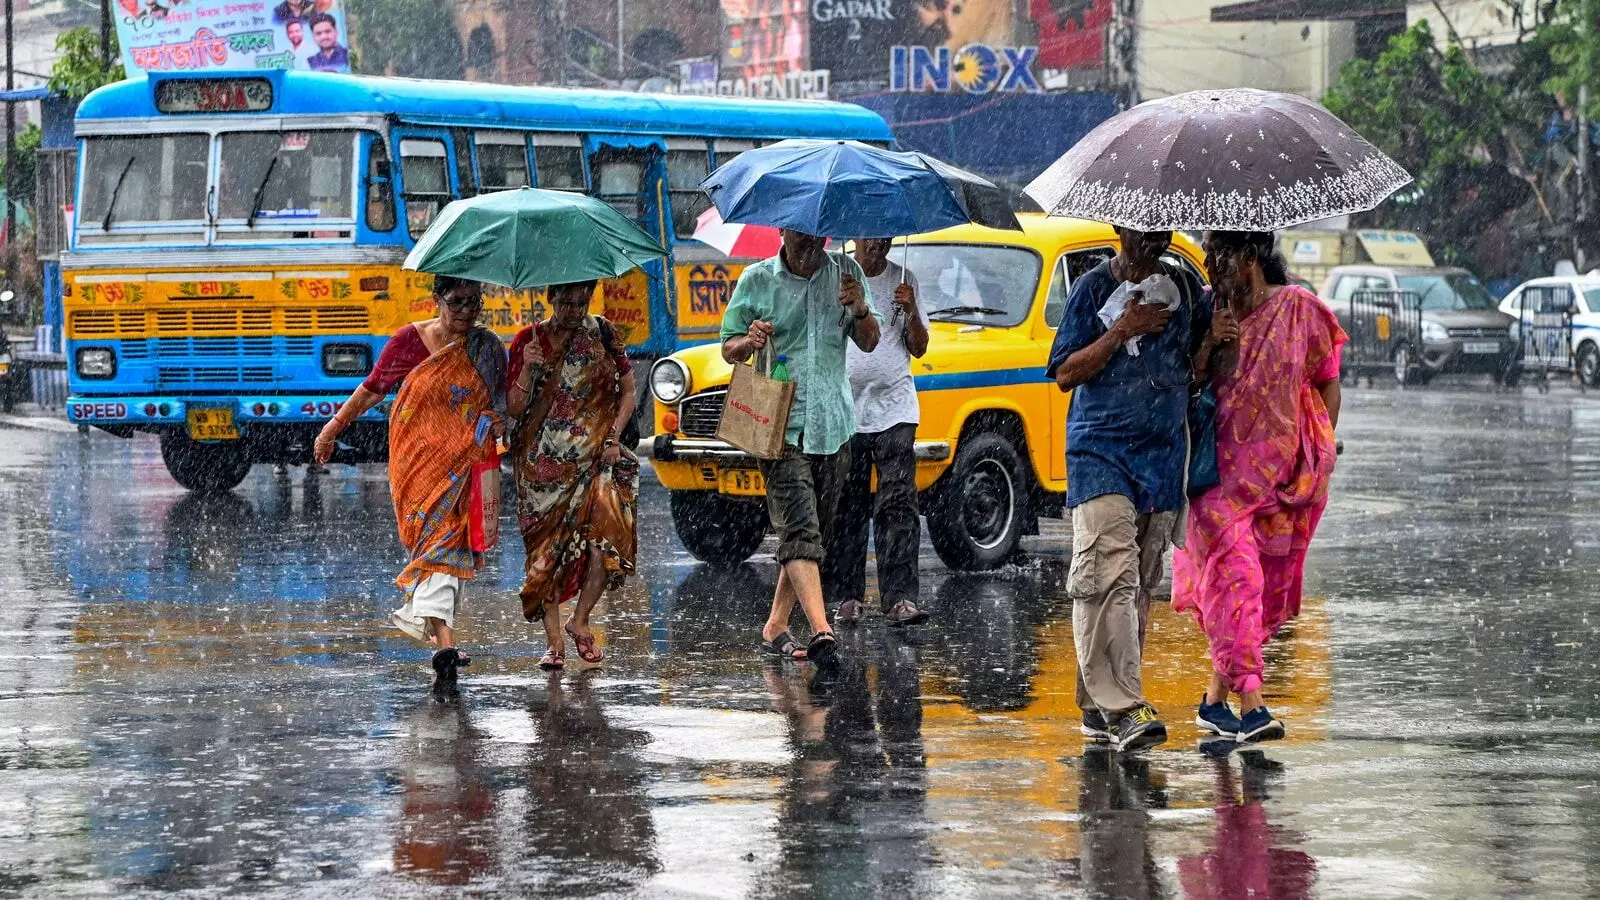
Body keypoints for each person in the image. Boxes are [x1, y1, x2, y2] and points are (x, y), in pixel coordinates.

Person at [1045, 227, 1223, 752]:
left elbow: (1188, 377)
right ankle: (1125, 705)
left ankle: (1098, 706)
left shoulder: (1182, 292)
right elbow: (1065, 372)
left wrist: (1211, 342)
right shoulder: (1093, 289)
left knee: (1137, 586)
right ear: (1120, 230)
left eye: (1159, 232)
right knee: (1108, 574)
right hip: (1101, 454)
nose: (1151, 240)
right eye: (1140, 232)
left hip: (1161, 460)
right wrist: (1123, 328)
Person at [1174, 231, 1345, 744]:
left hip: (1278, 479)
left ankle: (1212, 703)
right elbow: (1183, 384)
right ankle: (1252, 705)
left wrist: (1318, 448)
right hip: (1214, 477)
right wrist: (1210, 345)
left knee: (1254, 594)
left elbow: (1325, 379)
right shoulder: (1204, 312)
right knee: (1238, 579)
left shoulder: (1298, 309)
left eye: (1218, 253)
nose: (1208, 262)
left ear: (1249, 255)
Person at [314, 276, 506, 695]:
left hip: (466, 462)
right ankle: (445, 641)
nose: (465, 312)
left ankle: (444, 644)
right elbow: (372, 390)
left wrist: (502, 424)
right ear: (436, 300)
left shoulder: (487, 349)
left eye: (474, 303)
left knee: (448, 547)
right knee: (436, 546)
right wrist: (332, 428)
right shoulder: (408, 341)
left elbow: (503, 403)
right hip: (417, 463)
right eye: (456, 302)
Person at [721, 229, 882, 671]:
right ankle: (821, 629)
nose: (809, 242)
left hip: (833, 424)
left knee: (812, 535)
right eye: (799, 233)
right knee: (799, 531)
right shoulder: (757, 280)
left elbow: (870, 340)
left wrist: (861, 308)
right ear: (782, 231)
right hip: (779, 428)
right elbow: (727, 347)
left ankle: (775, 624)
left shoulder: (846, 274)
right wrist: (748, 340)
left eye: (816, 233)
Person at [507, 281, 638, 671]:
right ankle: (553, 643)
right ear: (550, 298)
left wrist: (613, 436)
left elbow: (629, 391)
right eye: (565, 302)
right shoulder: (527, 340)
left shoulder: (603, 332)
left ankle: (580, 620)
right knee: (546, 556)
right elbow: (515, 409)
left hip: (597, 459)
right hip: (539, 468)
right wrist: (528, 368)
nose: (574, 310)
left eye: (581, 302)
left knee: (606, 542)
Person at [822, 237, 930, 628]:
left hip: (896, 408)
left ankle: (900, 597)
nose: (880, 244)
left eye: (886, 236)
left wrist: (912, 310)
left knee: (898, 503)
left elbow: (918, 348)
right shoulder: (834, 276)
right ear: (856, 237)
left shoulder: (905, 280)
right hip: (846, 409)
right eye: (872, 237)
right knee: (845, 505)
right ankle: (847, 597)